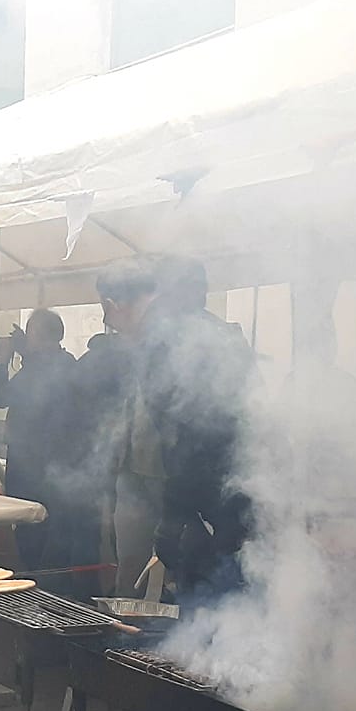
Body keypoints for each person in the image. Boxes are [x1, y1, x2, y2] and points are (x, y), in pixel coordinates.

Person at [140, 257, 255, 612]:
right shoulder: (229, 337)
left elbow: (171, 419)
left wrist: (174, 510)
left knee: (197, 576)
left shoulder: (170, 341)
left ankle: (205, 645)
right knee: (228, 577)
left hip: (197, 481)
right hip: (237, 478)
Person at [87, 257, 165, 595]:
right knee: (131, 570)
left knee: (170, 573)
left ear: (112, 304)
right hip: (136, 472)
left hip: (170, 481)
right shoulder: (141, 342)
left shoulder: (173, 338)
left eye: (110, 319)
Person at [0, 309, 86, 568]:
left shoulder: (43, 368)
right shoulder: (66, 363)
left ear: (38, 335)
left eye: (30, 332)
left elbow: (0, 397)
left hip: (32, 462)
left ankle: (37, 583)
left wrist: (2, 361)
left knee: (31, 525)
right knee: (51, 528)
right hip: (55, 461)